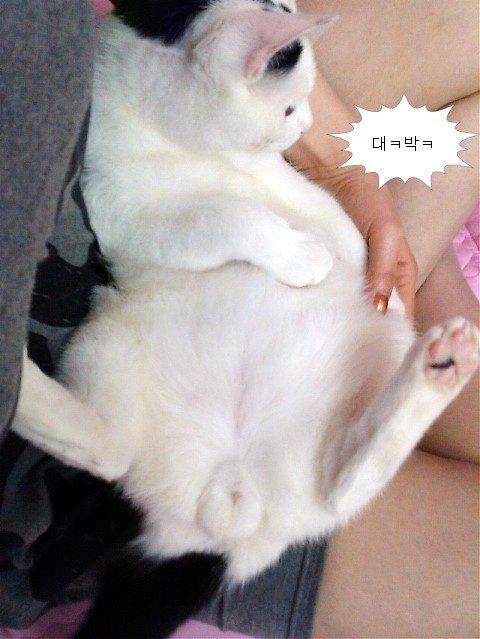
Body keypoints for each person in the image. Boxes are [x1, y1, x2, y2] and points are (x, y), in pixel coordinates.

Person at [0, 0, 478, 636]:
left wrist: (355, 184)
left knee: (464, 119)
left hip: (226, 256)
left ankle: (412, 261)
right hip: (113, 462)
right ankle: (409, 266)